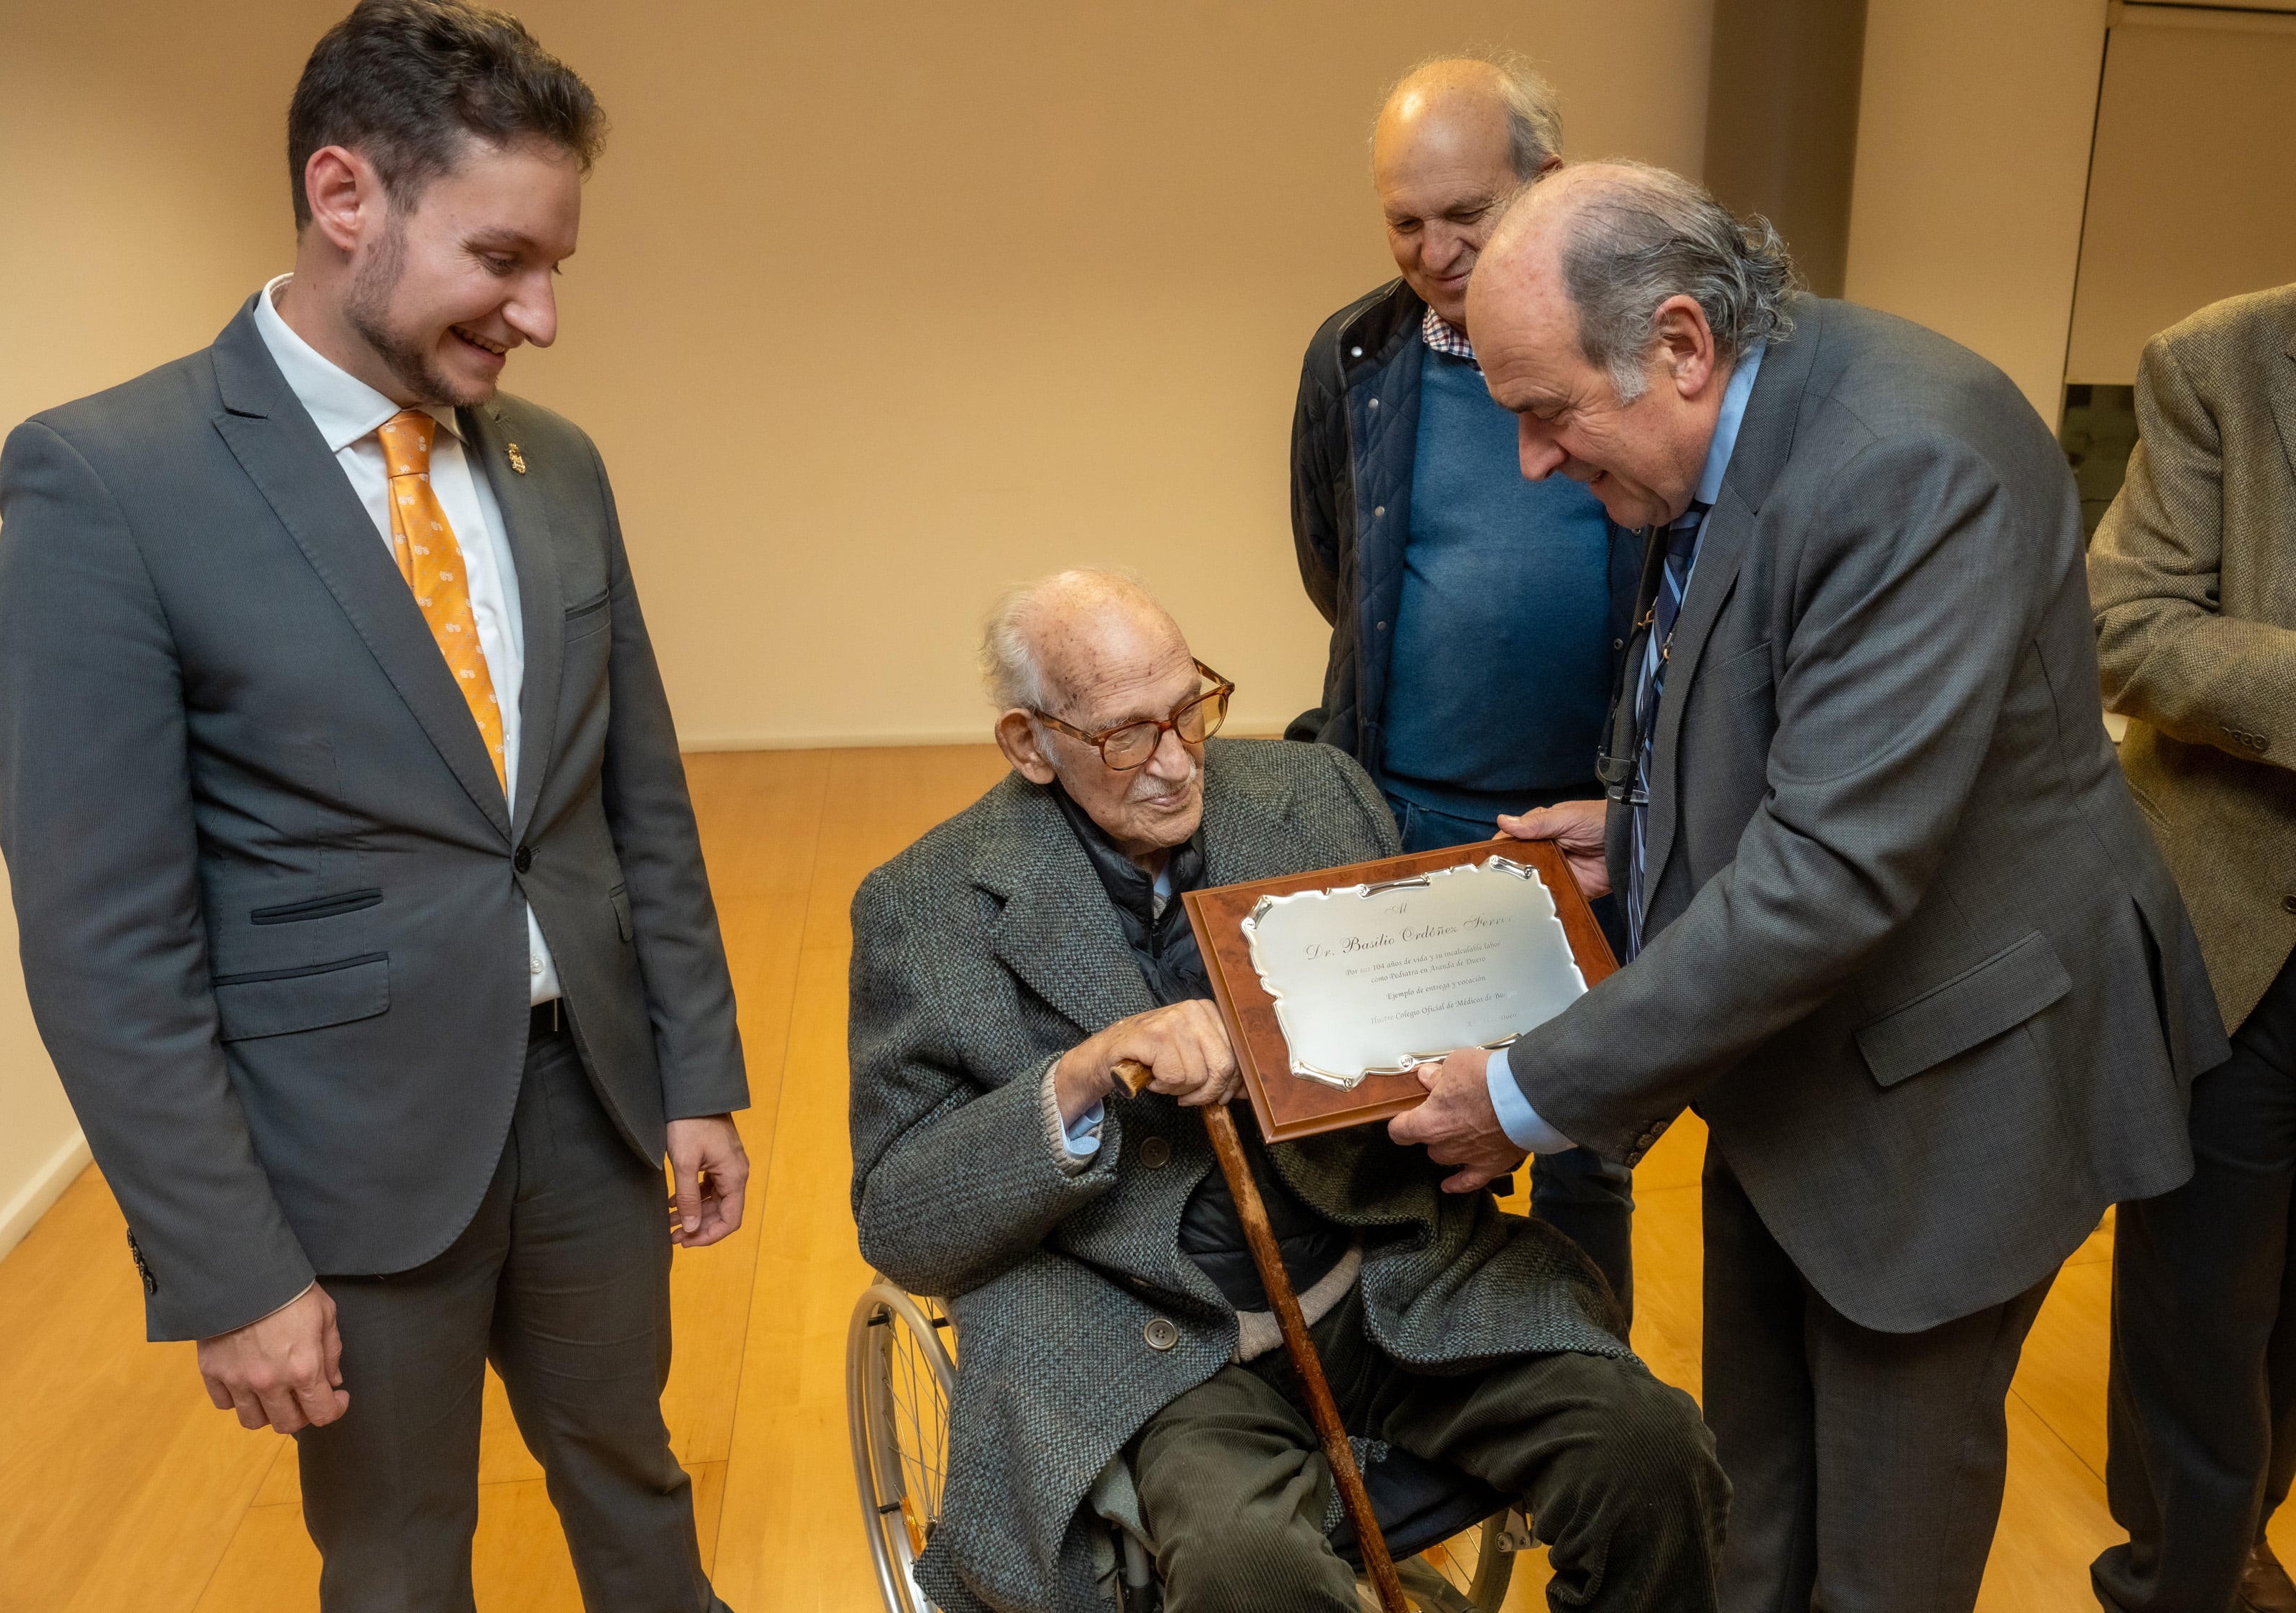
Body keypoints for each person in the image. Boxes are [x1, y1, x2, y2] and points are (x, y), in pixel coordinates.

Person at [1387, 161, 2225, 1612]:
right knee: (1757, 1506)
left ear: (1680, 344)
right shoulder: (1725, 428)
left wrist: (1522, 1093)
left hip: (1963, 1084)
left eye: (1545, 413)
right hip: (1803, 1066)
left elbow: (1831, 871)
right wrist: (1636, 832)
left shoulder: (1908, 459)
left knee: (1881, 1558)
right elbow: (1762, 714)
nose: (1529, 459)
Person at [0, 4, 746, 1608]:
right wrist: (228, 1266)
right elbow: (102, 936)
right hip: (349, 1156)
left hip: (595, 1113)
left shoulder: (560, 466)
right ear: (347, 198)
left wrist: (695, 1072)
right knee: (400, 1557)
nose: (541, 316)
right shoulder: (107, 482)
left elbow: (637, 799)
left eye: (558, 267)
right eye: (503, 259)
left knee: (637, 1473)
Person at [847, 569, 1725, 1613]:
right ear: (1029, 744)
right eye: (1128, 736)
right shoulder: (924, 906)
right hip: (1153, 1344)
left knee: (1650, 1451)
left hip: (1386, 1273)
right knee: (1245, 1567)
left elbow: (1426, 1016)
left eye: (1190, 709)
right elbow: (902, 1218)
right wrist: (1079, 1079)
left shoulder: (1313, 795)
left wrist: (1496, 939)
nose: (1177, 764)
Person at [1286, 52, 1643, 1318]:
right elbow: (1339, 571)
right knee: (1411, 1140)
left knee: (1584, 1144)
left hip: (1593, 833)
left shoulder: (1637, 349)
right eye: (1404, 220)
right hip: (1410, 821)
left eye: (1465, 216)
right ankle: (1438, 1395)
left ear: (1547, 182)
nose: (1433, 250)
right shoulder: (1354, 357)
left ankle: (1582, 1420)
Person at [2087, 284, 2296, 1613]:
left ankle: (2240, 1531)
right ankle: (2181, 1573)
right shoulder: (2216, 365)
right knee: (2201, 1295)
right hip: (2241, 926)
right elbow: (2129, 625)